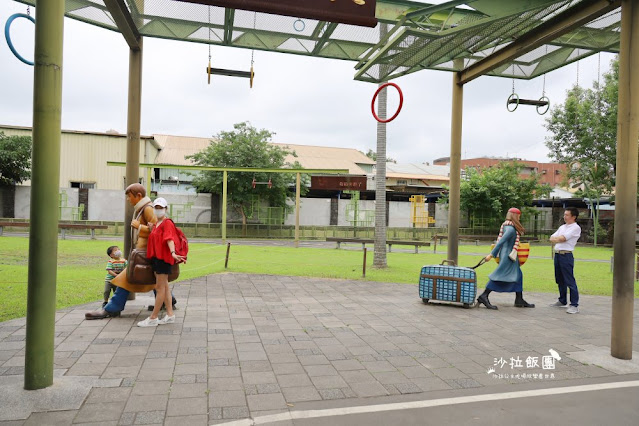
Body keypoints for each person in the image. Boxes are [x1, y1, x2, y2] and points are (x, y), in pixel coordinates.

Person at [85, 183, 158, 320]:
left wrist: (140, 227)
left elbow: (157, 230)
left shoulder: (147, 209)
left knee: (127, 277)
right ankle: (168, 300)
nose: (128, 200)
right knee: (155, 278)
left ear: (138, 196)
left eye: (129, 196)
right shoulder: (142, 209)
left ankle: (113, 307)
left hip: (146, 253)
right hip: (145, 253)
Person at [137, 197, 186, 327]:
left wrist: (173, 252)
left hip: (163, 259)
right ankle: (170, 314)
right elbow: (158, 239)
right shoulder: (157, 224)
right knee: (165, 287)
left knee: (159, 288)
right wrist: (152, 228)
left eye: (161, 208)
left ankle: (153, 317)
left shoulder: (167, 223)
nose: (158, 210)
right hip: (158, 259)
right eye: (156, 208)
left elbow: (169, 239)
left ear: (165, 209)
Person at [477, 207, 535, 310]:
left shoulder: (509, 226)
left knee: (518, 275)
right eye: (518, 216)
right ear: (515, 216)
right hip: (508, 255)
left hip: (510, 255)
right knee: (500, 275)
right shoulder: (510, 228)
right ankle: (484, 295)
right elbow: (501, 242)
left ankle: (519, 299)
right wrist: (491, 254)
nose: (519, 218)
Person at [549, 208, 581, 314]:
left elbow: (562, 239)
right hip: (558, 254)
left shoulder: (575, 228)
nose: (565, 216)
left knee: (569, 280)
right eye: (564, 214)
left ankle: (574, 304)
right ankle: (562, 300)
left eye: (567, 215)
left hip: (566, 255)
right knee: (559, 279)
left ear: (573, 217)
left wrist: (558, 239)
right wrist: (557, 238)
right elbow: (552, 238)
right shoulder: (562, 227)